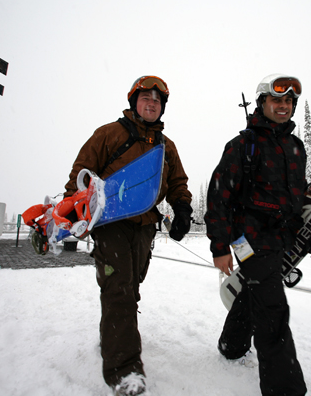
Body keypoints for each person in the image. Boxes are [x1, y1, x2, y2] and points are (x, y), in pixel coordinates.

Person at [63, 76, 192, 395]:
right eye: (145, 97)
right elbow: (80, 175)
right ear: (134, 101)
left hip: (145, 226)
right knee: (119, 289)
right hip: (110, 223)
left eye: (157, 100)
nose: (152, 103)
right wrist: (73, 213)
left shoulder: (166, 147)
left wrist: (183, 210)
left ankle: (113, 334)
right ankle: (125, 371)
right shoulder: (108, 134)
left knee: (130, 287)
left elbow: (177, 183)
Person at [205, 74, 308, 395]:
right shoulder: (242, 145)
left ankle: (231, 344)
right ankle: (285, 389)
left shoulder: (294, 146)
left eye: (289, 101)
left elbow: (298, 198)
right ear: (263, 102)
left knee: (257, 293)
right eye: (277, 100)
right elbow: (219, 197)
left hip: (280, 237)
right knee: (273, 311)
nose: (284, 106)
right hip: (245, 239)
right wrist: (220, 246)